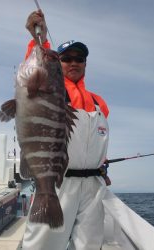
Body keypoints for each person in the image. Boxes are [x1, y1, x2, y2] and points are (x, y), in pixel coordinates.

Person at [21, 10, 110, 250]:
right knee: (44, 244)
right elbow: (38, 70)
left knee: (91, 245)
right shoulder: (51, 88)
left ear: (85, 63)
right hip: (60, 183)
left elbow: (93, 142)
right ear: (58, 63)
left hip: (93, 185)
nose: (73, 62)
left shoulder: (99, 102)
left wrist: (103, 163)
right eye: (66, 58)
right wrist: (39, 39)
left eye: (78, 58)